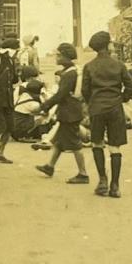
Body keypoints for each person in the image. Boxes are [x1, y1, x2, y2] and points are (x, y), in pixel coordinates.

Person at [80, 30, 132, 197]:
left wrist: (93, 102)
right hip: (115, 108)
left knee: (97, 143)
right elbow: (130, 86)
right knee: (115, 147)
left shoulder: (89, 66)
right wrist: (121, 98)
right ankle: (115, 186)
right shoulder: (119, 65)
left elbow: (85, 90)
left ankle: (102, 179)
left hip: (97, 108)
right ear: (108, 45)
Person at [36, 43, 93, 188]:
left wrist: (45, 105)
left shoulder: (69, 74)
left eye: (59, 55)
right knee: (60, 142)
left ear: (66, 56)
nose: (56, 57)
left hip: (69, 112)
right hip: (71, 111)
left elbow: (60, 95)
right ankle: (50, 166)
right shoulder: (72, 71)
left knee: (75, 144)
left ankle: (83, 173)